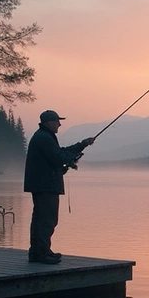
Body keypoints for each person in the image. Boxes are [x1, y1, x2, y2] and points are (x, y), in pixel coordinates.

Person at [24, 110, 95, 264]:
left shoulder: (43, 136)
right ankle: (41, 254)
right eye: (57, 121)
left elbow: (60, 153)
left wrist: (82, 145)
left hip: (42, 184)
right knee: (47, 220)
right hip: (46, 185)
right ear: (49, 123)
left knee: (40, 219)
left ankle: (38, 251)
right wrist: (70, 159)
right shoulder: (44, 138)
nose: (60, 124)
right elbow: (59, 158)